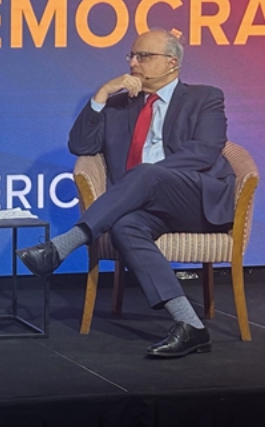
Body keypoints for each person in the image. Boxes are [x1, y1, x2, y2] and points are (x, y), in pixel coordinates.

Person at [16, 28, 234, 358]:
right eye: (131, 56)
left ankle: (62, 247)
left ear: (171, 62)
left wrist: (149, 177)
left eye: (143, 56)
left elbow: (204, 152)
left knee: (146, 173)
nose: (133, 63)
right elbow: (81, 146)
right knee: (123, 227)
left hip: (195, 198)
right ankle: (191, 325)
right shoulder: (120, 105)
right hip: (143, 203)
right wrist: (102, 93)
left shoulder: (205, 97)